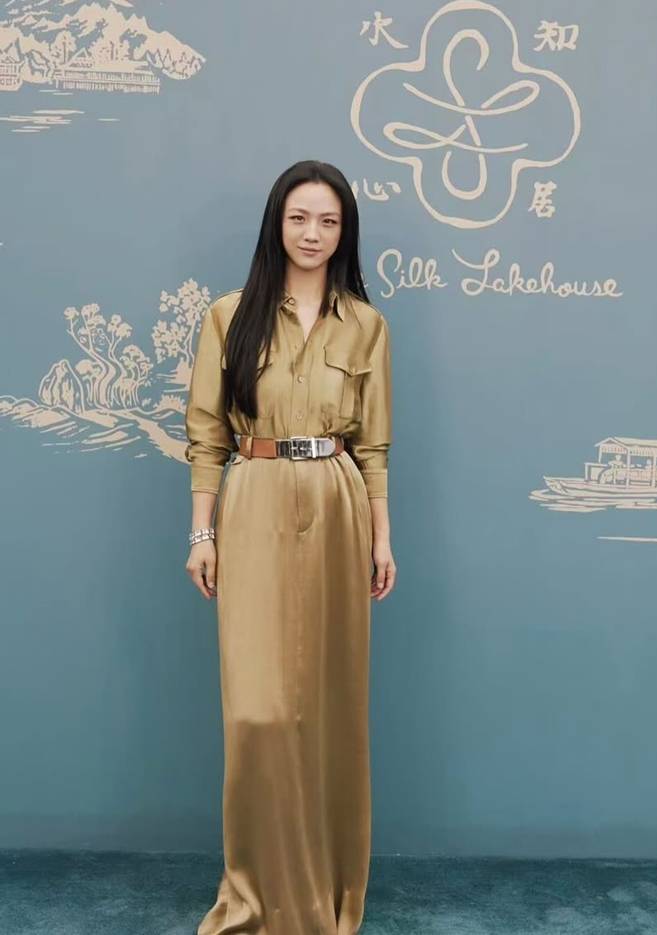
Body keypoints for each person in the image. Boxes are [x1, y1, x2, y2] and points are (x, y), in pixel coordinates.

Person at [184, 159, 397, 935]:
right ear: (277, 223)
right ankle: (256, 894)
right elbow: (206, 433)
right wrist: (202, 531)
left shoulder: (367, 325)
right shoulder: (228, 316)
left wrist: (382, 537)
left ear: (346, 233)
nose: (313, 233)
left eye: (329, 221)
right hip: (255, 498)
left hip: (338, 504)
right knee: (260, 712)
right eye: (300, 217)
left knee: (330, 707)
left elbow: (374, 446)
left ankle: (327, 889)